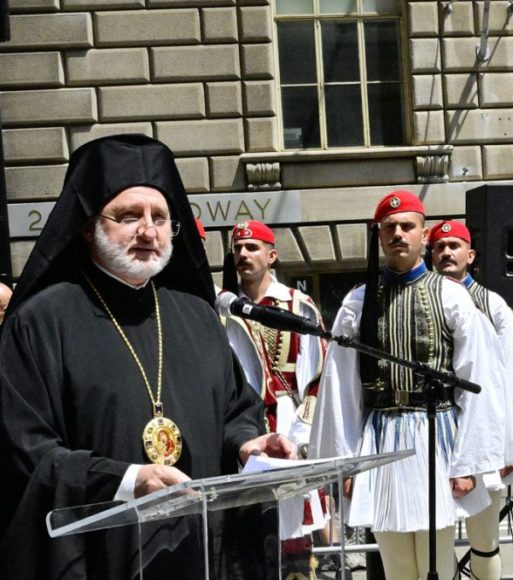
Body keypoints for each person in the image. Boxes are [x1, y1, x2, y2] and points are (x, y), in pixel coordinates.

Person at [0, 134, 296, 580]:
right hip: (95, 557)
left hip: (196, 550)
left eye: (160, 216)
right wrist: (126, 480)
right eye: (128, 216)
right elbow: (24, 448)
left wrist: (247, 444)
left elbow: (237, 408)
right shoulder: (40, 321)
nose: (148, 230)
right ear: (87, 225)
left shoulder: (196, 314)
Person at [310, 190, 506, 580]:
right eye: (389, 227)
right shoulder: (359, 301)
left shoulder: (451, 296)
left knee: (438, 558)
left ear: (424, 233)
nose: (398, 233)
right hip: (382, 434)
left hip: (437, 434)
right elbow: (340, 386)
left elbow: (478, 378)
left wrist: (470, 461)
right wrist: (346, 463)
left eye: (407, 226)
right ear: (379, 235)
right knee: (397, 562)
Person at [428, 219, 513, 580]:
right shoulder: (425, 298)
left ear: (471, 254)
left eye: (454, 245)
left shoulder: (490, 303)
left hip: (483, 435)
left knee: (485, 540)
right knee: (438, 538)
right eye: (439, 246)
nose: (447, 252)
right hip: (436, 431)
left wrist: (508, 445)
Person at [224, 219, 328, 576]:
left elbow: (318, 379)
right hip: (241, 431)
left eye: (251, 248)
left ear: (272, 255)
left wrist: (301, 436)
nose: (242, 254)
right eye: (237, 248)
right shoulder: (222, 309)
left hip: (287, 422)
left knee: (291, 530)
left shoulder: (298, 306)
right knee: (245, 534)